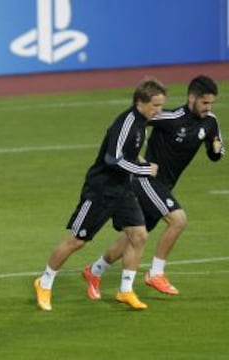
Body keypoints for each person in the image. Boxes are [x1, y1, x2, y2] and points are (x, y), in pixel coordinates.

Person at [83, 75, 224, 301]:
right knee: (178, 220)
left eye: (211, 103)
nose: (208, 107)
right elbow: (133, 124)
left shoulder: (211, 122)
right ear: (192, 98)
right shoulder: (169, 117)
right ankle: (156, 273)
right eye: (204, 102)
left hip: (165, 185)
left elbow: (215, 153)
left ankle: (95, 270)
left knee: (134, 237)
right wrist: (134, 157)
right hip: (147, 181)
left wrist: (217, 149)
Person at [34, 78, 167, 311]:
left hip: (122, 190)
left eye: (161, 105)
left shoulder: (140, 123)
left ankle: (125, 291)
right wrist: (144, 169)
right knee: (77, 240)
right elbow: (113, 159)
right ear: (140, 102)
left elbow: (127, 154)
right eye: (155, 105)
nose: (159, 110)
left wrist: (140, 161)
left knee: (139, 235)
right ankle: (44, 283)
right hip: (100, 189)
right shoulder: (126, 123)